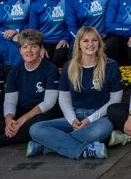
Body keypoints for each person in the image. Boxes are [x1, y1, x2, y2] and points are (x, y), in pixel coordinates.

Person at [27, 27, 122, 160]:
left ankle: (46, 146)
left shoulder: (110, 65)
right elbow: (64, 98)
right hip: (76, 115)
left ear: (99, 43)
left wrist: (90, 119)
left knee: (101, 130)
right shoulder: (69, 66)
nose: (90, 44)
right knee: (35, 129)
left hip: (100, 117)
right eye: (85, 41)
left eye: (94, 40)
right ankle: (85, 150)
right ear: (78, 44)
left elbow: (115, 100)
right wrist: (72, 120)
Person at [0, 29, 61, 151]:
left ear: (41, 49)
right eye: (25, 47)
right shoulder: (15, 71)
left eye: (34, 46)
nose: (29, 51)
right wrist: (9, 120)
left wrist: (23, 119)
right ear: (20, 50)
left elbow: (49, 103)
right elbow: (10, 101)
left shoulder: (50, 69)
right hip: (22, 111)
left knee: (35, 127)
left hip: (44, 113)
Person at [26, 0, 70, 66]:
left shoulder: (67, 1)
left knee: (60, 59)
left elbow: (71, 24)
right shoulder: (36, 5)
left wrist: (66, 39)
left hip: (61, 41)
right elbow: (33, 29)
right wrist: (40, 45)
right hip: (44, 41)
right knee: (43, 62)